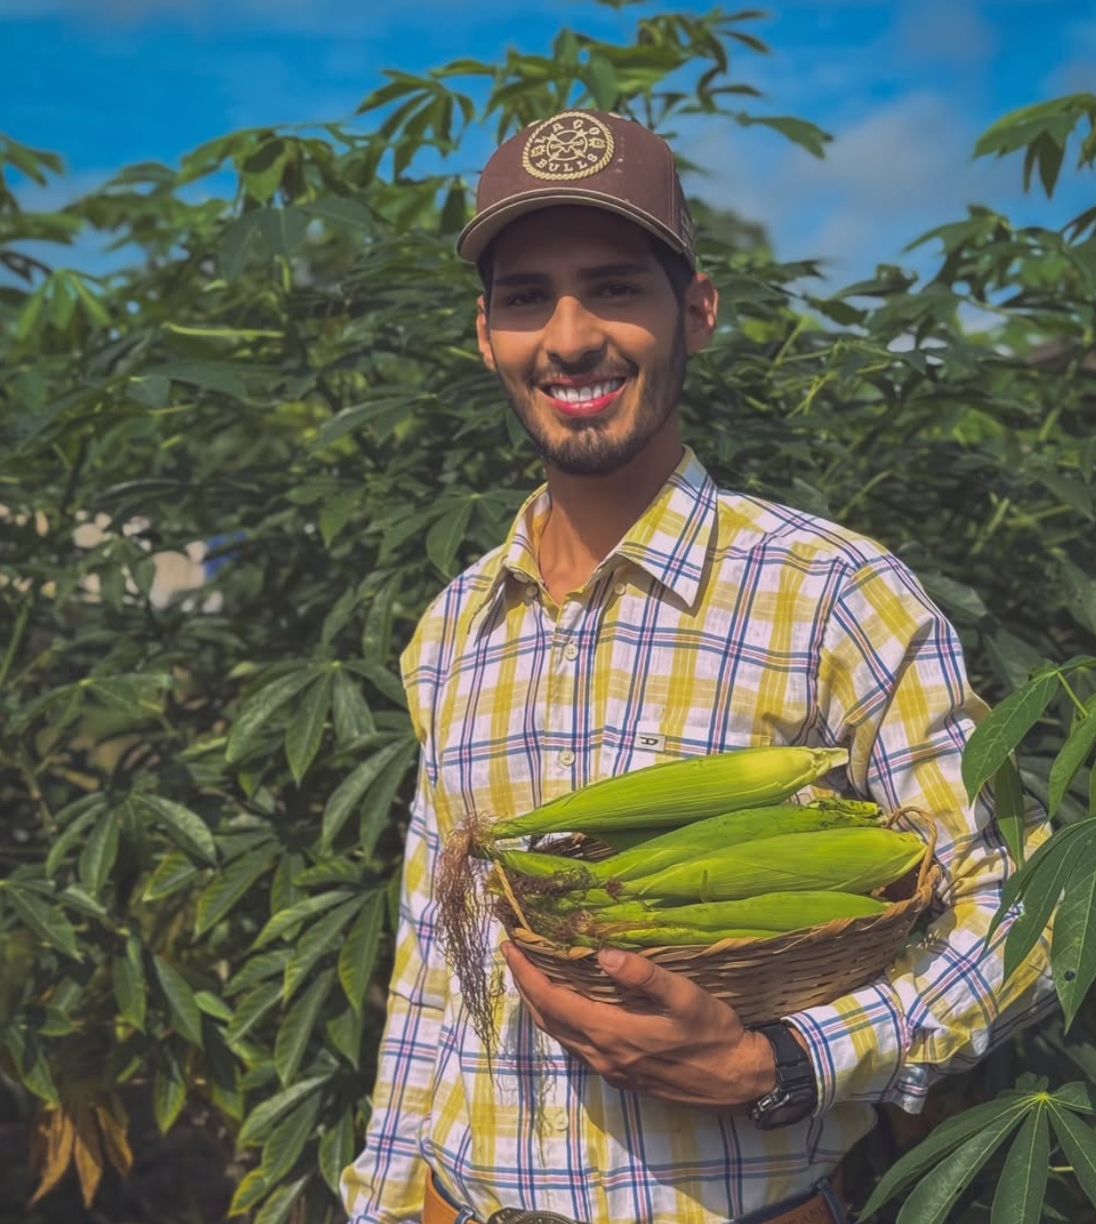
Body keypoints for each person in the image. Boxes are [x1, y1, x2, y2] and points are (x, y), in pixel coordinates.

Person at [341, 109, 1055, 1224]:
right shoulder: (455, 622)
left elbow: (1027, 911)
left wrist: (785, 1062)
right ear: (485, 333)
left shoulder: (830, 590)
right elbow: (435, 963)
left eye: (615, 286)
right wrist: (381, 1198)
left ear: (698, 311)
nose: (569, 337)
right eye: (527, 297)